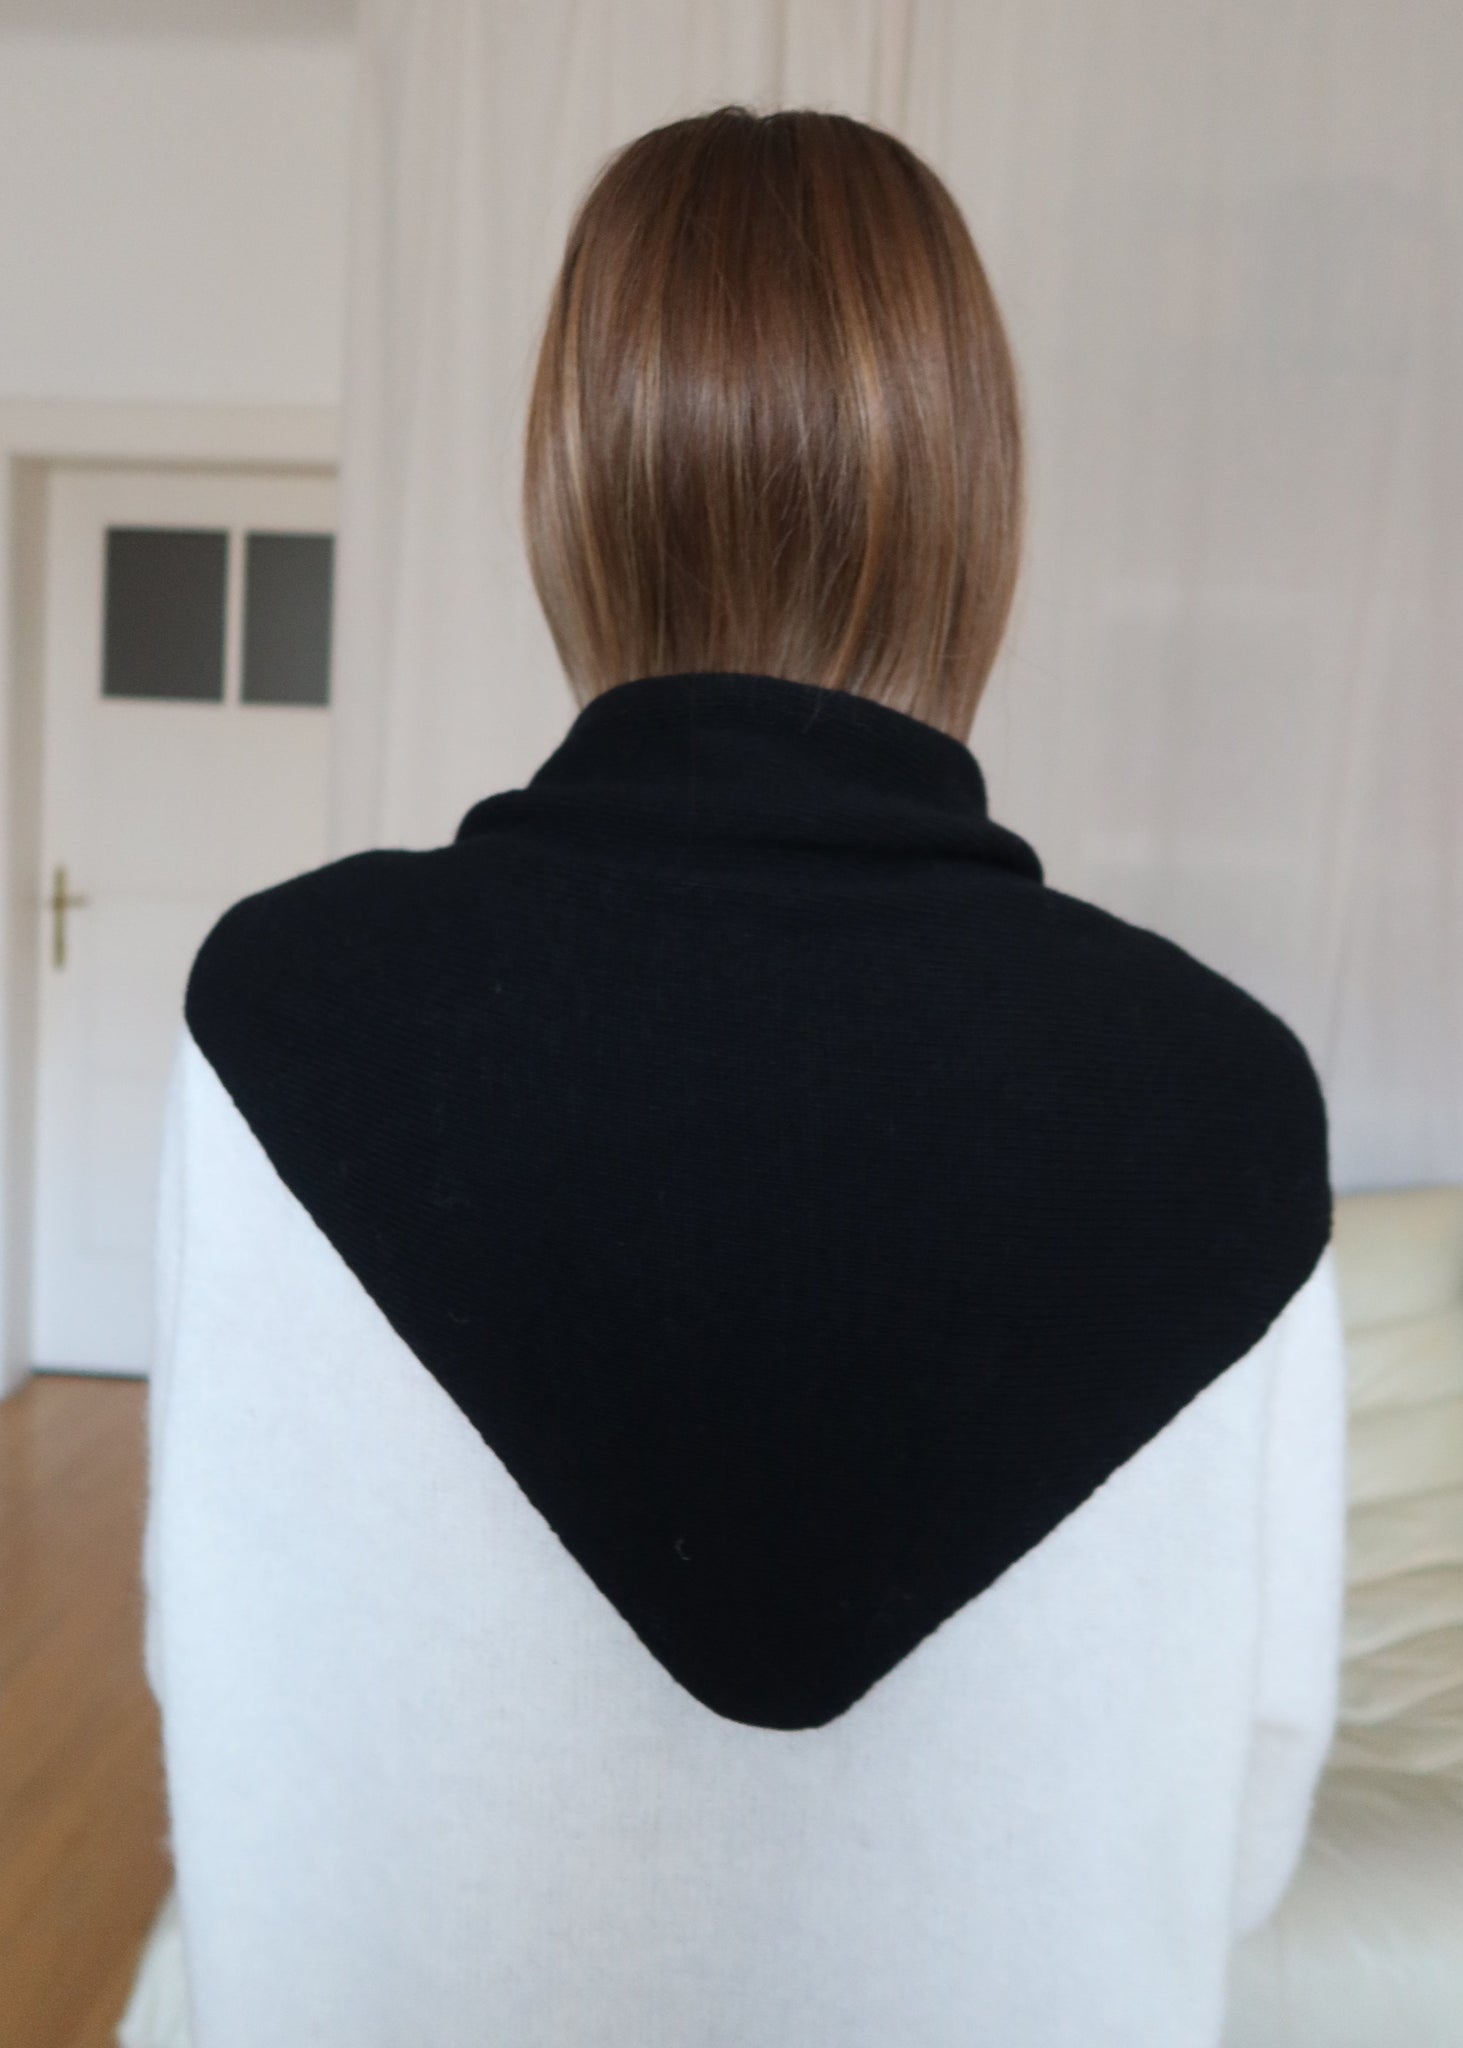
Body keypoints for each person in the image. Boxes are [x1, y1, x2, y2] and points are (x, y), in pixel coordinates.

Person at [142, 104, 1346, 2048]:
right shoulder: (1229, 1103)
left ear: (571, 488)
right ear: (979, 512)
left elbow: (214, 1661)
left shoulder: (270, 1014)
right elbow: (1252, 1820)